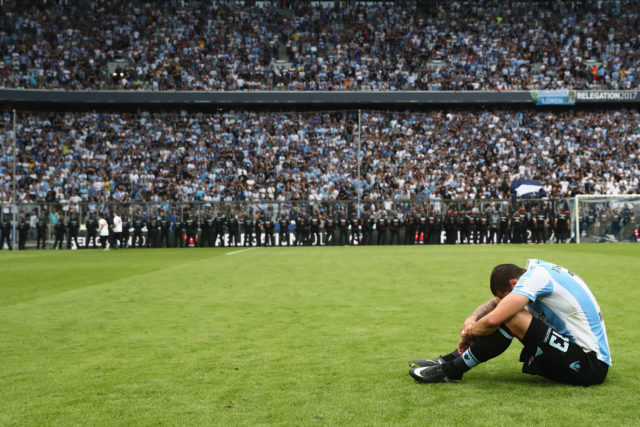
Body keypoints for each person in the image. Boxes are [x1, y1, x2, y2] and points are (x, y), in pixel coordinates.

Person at [409, 260, 611, 387]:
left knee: (511, 316)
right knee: (507, 311)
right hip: (574, 354)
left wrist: (468, 333)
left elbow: (494, 318)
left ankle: (452, 370)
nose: (503, 301)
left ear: (514, 283)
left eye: (506, 296)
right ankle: (450, 360)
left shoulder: (536, 278)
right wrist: (472, 319)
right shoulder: (535, 273)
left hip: (590, 366)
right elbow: (493, 305)